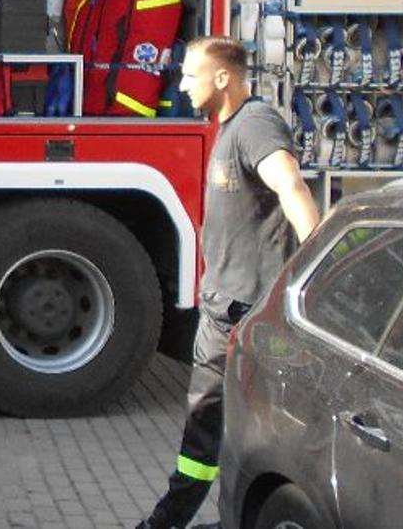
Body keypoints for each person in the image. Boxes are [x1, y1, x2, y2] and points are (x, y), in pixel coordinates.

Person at [135, 36, 321, 529]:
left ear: (222, 78)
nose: (181, 85)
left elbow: (291, 184)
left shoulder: (255, 124)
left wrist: (316, 270)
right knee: (212, 426)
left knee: (219, 425)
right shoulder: (229, 126)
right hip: (229, 306)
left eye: (190, 75)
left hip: (245, 311)